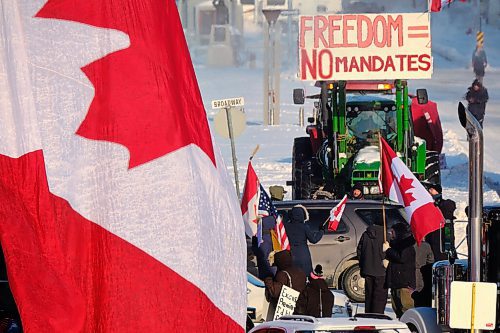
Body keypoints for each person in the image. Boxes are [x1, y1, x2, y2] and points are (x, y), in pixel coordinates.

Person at [384, 223, 416, 319]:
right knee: (397, 308)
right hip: (396, 282)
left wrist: (388, 250)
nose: (390, 234)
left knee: (406, 308)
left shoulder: (407, 244)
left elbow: (401, 258)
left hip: (404, 283)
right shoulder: (396, 244)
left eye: (392, 232)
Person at [264, 250, 307, 321]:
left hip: (287, 310)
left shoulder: (282, 274)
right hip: (301, 308)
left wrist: (268, 280)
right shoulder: (300, 272)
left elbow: (275, 292)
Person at [284, 205, 324, 277]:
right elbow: (313, 240)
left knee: (292, 276)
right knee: (305, 275)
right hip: (303, 254)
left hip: (290, 253)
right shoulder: (304, 227)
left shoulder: (286, 226)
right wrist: (321, 231)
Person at [357, 222, 388, 314]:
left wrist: (363, 264)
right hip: (382, 270)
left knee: (369, 295)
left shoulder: (366, 234)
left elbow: (359, 251)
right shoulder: (386, 235)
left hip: (368, 269)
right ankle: (377, 316)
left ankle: (369, 314)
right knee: (380, 297)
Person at [425, 183, 456, 261]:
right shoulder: (429, 204)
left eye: (432, 189)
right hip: (432, 237)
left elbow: (450, 207)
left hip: (443, 235)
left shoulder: (445, 204)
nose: (429, 191)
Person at [251, 215, 277, 280]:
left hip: (264, 271)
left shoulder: (259, 237)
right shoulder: (275, 235)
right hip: (274, 271)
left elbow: (257, 251)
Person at [411, 239, 434, 307]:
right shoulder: (426, 245)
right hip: (421, 272)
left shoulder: (407, 245)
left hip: (409, 273)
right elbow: (431, 260)